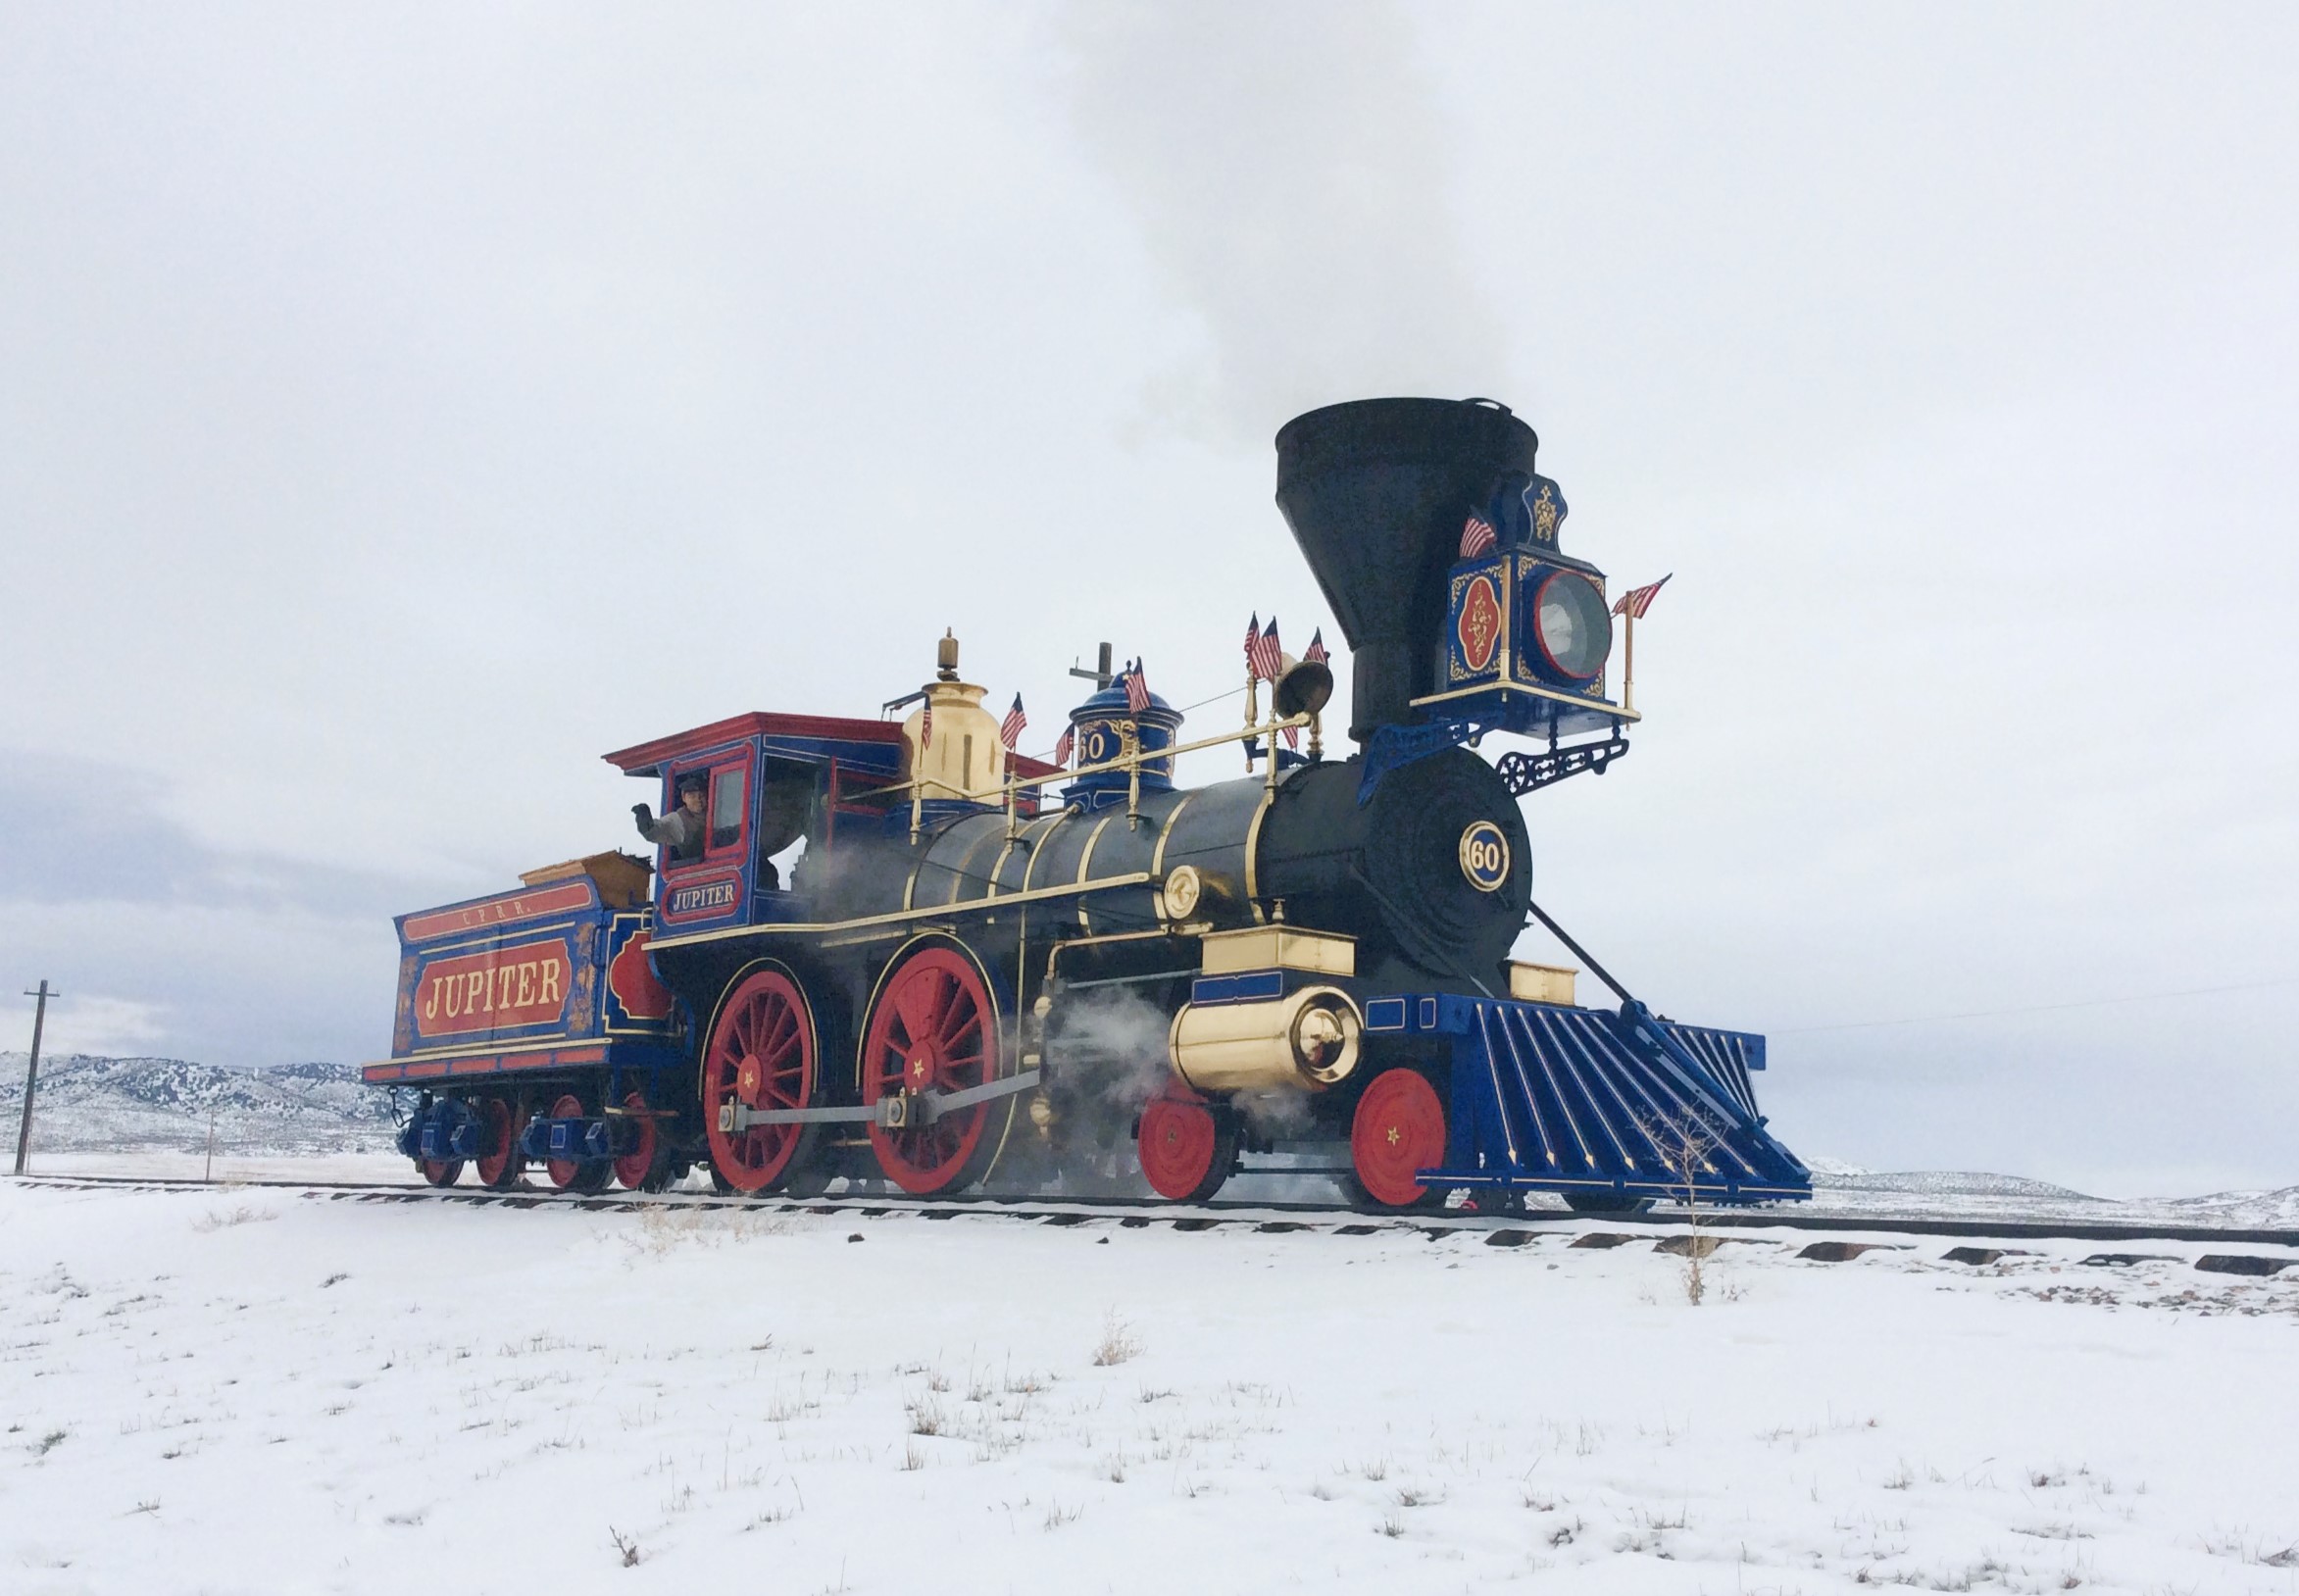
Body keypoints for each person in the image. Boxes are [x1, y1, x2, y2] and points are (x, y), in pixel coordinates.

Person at [632, 774, 708, 862]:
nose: (698, 800)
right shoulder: (678, 820)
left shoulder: (717, 811)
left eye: (702, 796)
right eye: (692, 796)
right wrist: (644, 820)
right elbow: (656, 830)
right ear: (684, 797)